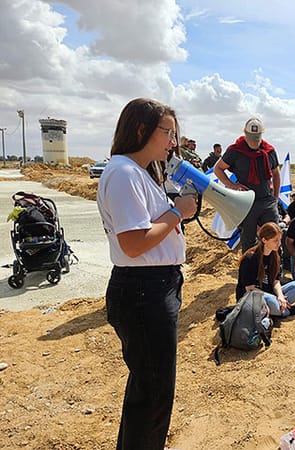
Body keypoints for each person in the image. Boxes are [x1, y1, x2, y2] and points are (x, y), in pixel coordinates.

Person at [96, 98, 198, 450]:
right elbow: (134, 244)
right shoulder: (124, 173)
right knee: (153, 395)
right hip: (144, 291)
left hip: (153, 288)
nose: (172, 142)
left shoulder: (136, 172)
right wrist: (178, 213)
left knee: (148, 392)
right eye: (167, 132)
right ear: (141, 130)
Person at [214, 117, 281, 252]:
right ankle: (250, 271)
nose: (254, 141)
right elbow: (218, 169)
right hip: (246, 203)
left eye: (256, 138)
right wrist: (232, 185)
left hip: (267, 200)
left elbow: (276, 174)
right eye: (251, 138)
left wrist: (275, 198)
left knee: (274, 238)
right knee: (248, 242)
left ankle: (273, 271)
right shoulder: (235, 151)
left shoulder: (269, 151)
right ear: (245, 134)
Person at [237, 222, 295, 317]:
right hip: (253, 296)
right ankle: (286, 311)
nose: (279, 244)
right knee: (273, 302)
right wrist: (274, 297)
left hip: (269, 292)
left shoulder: (275, 254)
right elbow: (250, 289)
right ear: (264, 240)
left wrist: (280, 296)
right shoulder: (250, 258)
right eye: (275, 240)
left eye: (280, 240)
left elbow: (275, 281)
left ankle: (279, 309)